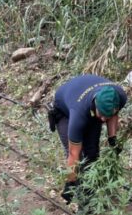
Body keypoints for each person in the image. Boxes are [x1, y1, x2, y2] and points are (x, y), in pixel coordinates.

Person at [49, 74, 127, 203]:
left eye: (107, 116)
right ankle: (80, 194)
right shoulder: (78, 115)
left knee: (92, 153)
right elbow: (74, 154)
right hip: (64, 111)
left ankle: (90, 190)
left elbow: (113, 114)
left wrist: (112, 139)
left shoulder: (119, 96)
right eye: (102, 115)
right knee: (77, 156)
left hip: (86, 102)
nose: (103, 120)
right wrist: (70, 183)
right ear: (95, 104)